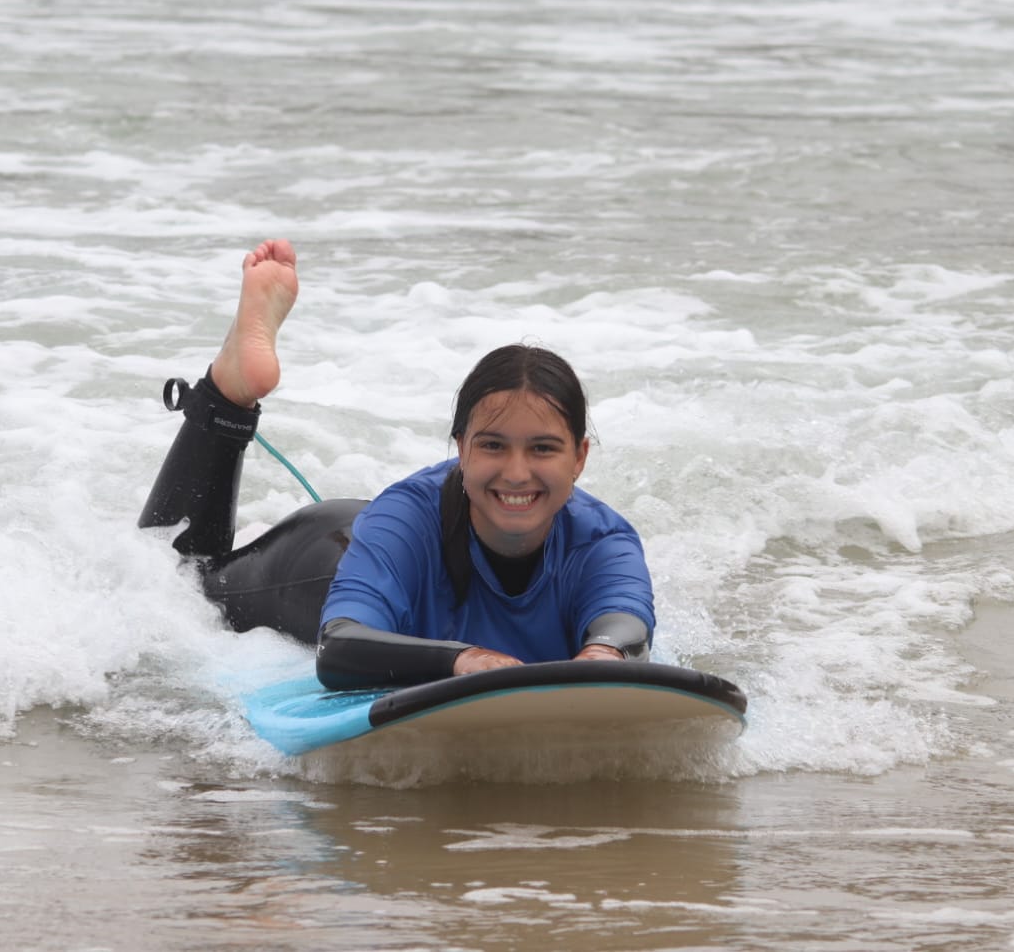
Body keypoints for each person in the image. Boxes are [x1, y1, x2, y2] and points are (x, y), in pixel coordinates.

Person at [138, 239, 655, 691]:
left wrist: (603, 655)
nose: (517, 472)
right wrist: (462, 659)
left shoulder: (603, 540)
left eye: (542, 448)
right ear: (461, 449)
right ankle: (228, 393)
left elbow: (626, 628)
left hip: (391, 552)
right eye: (494, 446)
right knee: (179, 582)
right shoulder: (405, 517)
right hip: (326, 560)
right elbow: (339, 647)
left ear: (579, 457)